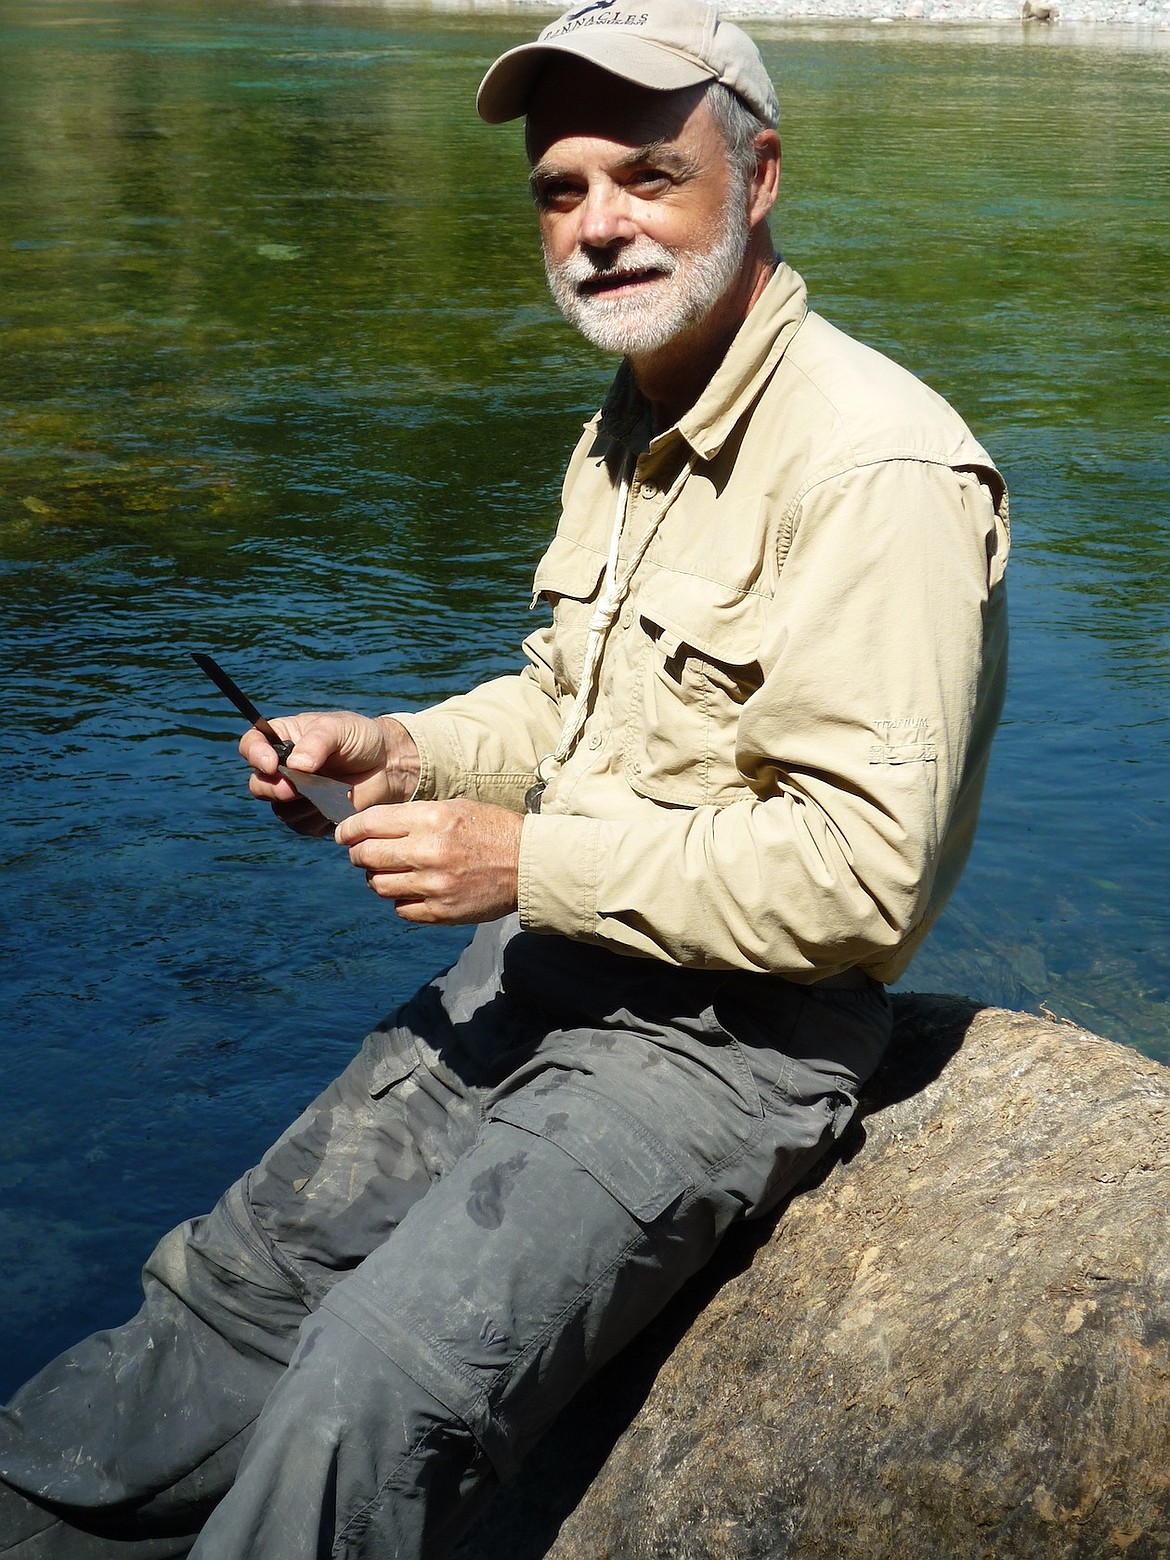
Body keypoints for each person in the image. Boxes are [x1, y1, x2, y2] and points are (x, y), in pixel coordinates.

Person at [0, 1, 1009, 1555]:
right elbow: (563, 708)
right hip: (542, 966)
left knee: (371, 1392)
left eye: (645, 176)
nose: (597, 225)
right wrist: (393, 747)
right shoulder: (629, 416)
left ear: (758, 175)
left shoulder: (878, 469)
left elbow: (861, 877)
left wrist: (522, 867)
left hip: (730, 1041)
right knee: (230, 1283)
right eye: (560, 189)